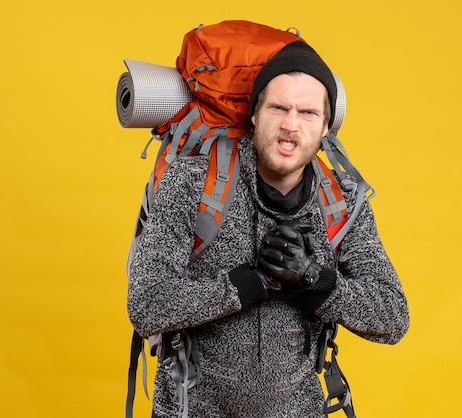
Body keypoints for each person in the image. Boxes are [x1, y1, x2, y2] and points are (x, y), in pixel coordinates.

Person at [127, 40, 409, 418]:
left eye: (308, 112)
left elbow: (392, 318)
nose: (291, 125)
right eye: (278, 108)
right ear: (256, 114)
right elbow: (146, 305)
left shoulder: (341, 202)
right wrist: (248, 284)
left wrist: (315, 280)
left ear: (326, 126)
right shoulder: (193, 184)